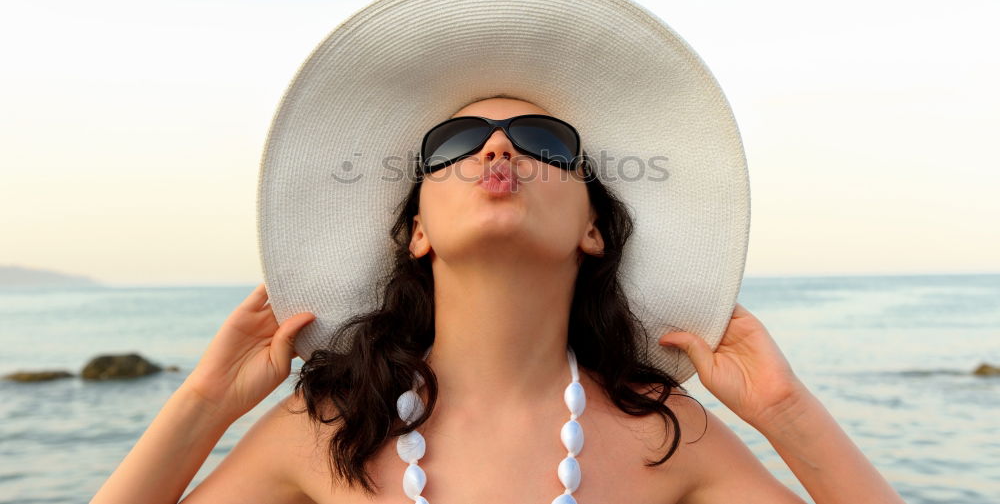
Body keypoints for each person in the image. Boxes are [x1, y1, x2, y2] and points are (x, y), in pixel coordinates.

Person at [92, 97, 907, 504]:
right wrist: (202, 404)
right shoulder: (333, 426)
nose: (496, 148)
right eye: (453, 144)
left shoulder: (663, 432)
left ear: (593, 227)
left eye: (544, 143)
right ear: (417, 231)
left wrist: (787, 410)